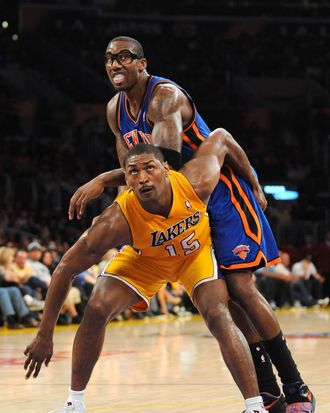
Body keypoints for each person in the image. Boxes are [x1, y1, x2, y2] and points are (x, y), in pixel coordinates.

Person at [68, 36, 315, 413]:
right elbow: (139, 173)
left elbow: (164, 164)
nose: (115, 64)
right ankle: (267, 392)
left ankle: (297, 387)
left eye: (124, 57)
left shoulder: (164, 97)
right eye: (108, 59)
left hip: (219, 196)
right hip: (183, 209)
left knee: (241, 288)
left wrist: (254, 184)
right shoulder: (114, 110)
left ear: (142, 63)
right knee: (223, 303)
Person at [24, 137, 268, 413]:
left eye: (149, 168)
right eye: (133, 172)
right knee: (96, 307)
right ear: (126, 179)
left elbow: (222, 138)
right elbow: (64, 269)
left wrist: (255, 186)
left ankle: (254, 406)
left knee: (218, 315)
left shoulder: (196, 181)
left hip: (194, 255)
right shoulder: (115, 221)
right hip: (146, 260)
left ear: (166, 168)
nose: (142, 178)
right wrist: (45, 334)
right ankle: (74, 402)